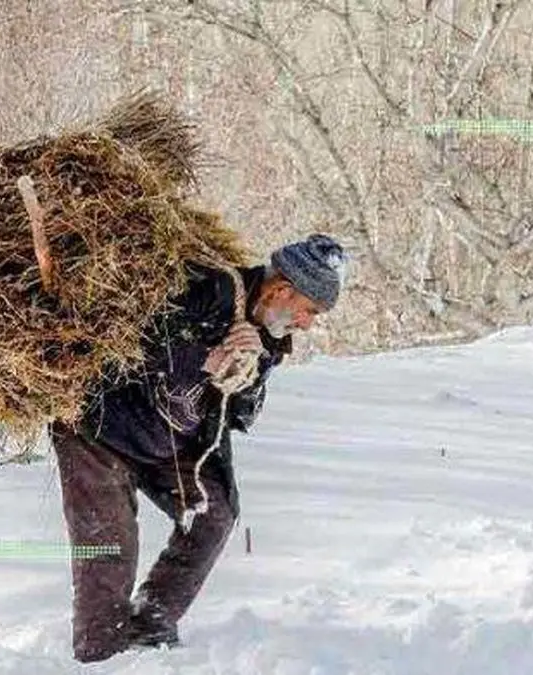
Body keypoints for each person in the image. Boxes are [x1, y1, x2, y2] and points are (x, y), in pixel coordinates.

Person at [49, 233, 347, 663]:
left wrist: (251, 371)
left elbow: (242, 415)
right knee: (108, 548)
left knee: (215, 514)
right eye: (310, 311)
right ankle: (101, 655)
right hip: (99, 427)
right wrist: (205, 357)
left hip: (172, 442)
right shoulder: (208, 286)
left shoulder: (271, 337)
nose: (307, 323)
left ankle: (152, 623)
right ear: (282, 290)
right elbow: (139, 342)